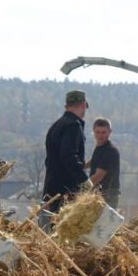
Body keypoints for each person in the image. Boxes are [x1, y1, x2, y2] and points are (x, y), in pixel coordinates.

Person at [42, 89, 90, 218]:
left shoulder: (56, 126)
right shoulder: (73, 126)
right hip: (66, 189)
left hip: (52, 188)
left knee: (53, 227)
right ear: (84, 105)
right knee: (67, 229)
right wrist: (83, 179)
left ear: (66, 106)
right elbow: (68, 156)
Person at [86, 117, 121, 209]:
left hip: (107, 195)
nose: (100, 136)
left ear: (110, 132)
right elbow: (95, 161)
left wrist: (82, 188)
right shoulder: (100, 148)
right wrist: (80, 166)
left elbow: (98, 176)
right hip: (99, 194)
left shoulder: (110, 151)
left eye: (103, 132)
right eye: (98, 132)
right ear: (93, 131)